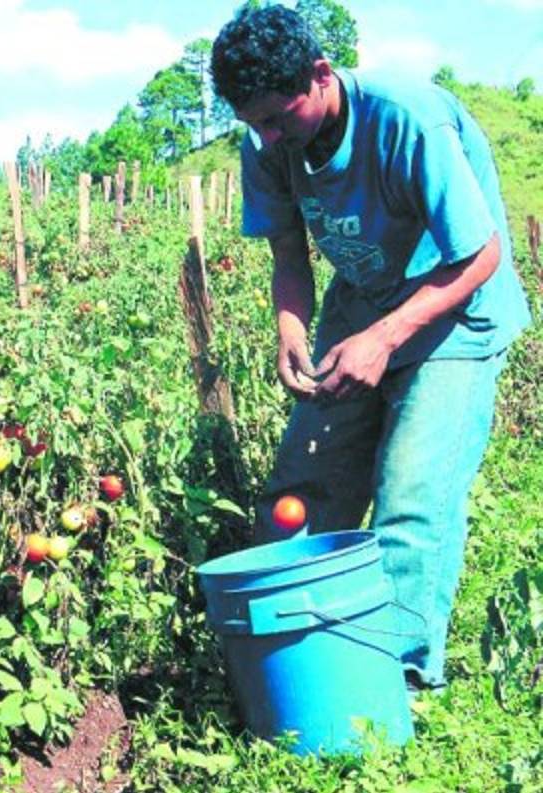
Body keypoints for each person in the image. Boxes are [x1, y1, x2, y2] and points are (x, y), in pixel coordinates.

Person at [210, 4, 531, 692]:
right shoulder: (267, 144)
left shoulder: (406, 118)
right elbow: (290, 252)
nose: (267, 137)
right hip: (362, 305)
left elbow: (479, 255)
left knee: (412, 496)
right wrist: (290, 329)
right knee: (301, 486)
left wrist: (386, 338)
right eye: (252, 124)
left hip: (456, 312)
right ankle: (303, 653)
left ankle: (401, 682)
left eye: (277, 116)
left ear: (321, 75)